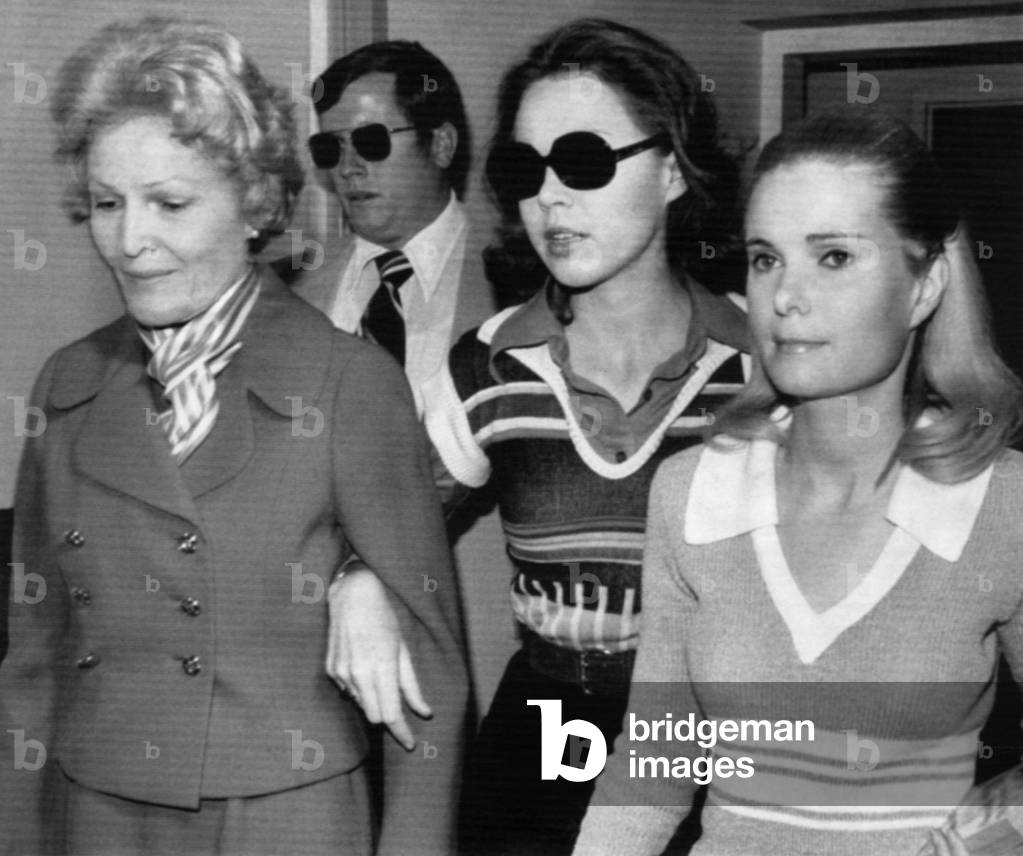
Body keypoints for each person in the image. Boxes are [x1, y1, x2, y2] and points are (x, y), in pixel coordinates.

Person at [0, 17, 467, 856]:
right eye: (108, 203)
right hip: (95, 814)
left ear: (255, 204)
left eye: (171, 204)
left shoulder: (348, 382)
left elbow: (430, 680)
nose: (131, 240)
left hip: (284, 816)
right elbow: (32, 665)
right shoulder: (66, 386)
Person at [572, 111, 1023, 856]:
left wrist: (964, 842)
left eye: (834, 257)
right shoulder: (692, 493)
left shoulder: (1002, 506)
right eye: (764, 259)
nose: (784, 297)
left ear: (923, 285)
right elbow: (653, 767)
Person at [417, 18, 749, 855]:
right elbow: (383, 524)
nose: (548, 198)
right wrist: (354, 583)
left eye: (586, 161)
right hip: (537, 740)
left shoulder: (765, 367)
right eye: (526, 170)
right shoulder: (489, 367)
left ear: (672, 169)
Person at [281, 39, 495, 411]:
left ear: (441, 144)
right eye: (330, 148)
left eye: (371, 141)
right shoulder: (284, 286)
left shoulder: (524, 286)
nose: (347, 168)